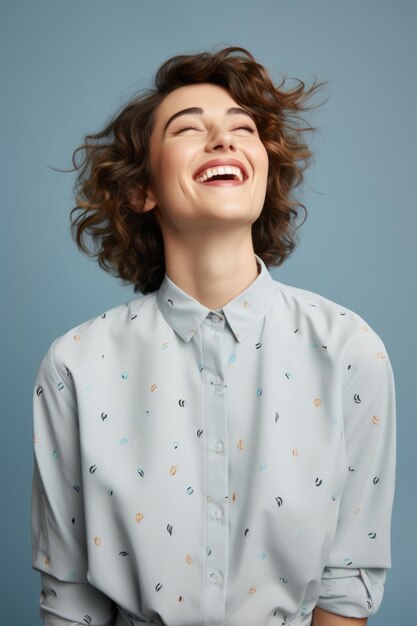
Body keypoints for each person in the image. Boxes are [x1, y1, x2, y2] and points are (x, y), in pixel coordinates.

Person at [31, 46, 396, 626]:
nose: (223, 140)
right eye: (188, 128)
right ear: (140, 190)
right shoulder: (75, 365)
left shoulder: (350, 351)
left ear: (264, 169)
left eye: (242, 128)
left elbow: (347, 585)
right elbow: (71, 597)